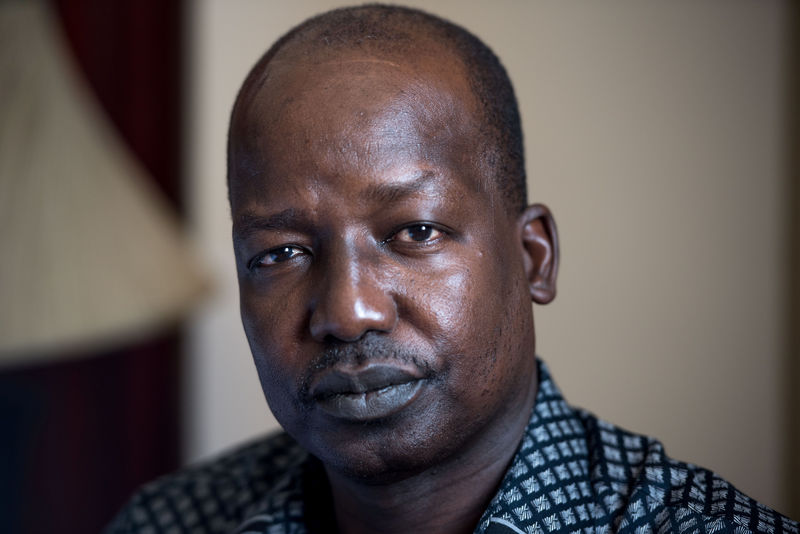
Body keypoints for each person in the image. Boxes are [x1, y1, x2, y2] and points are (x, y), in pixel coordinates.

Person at [107, 5, 798, 533]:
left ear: (533, 258)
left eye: (415, 231)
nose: (348, 312)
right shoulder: (168, 521)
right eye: (281, 253)